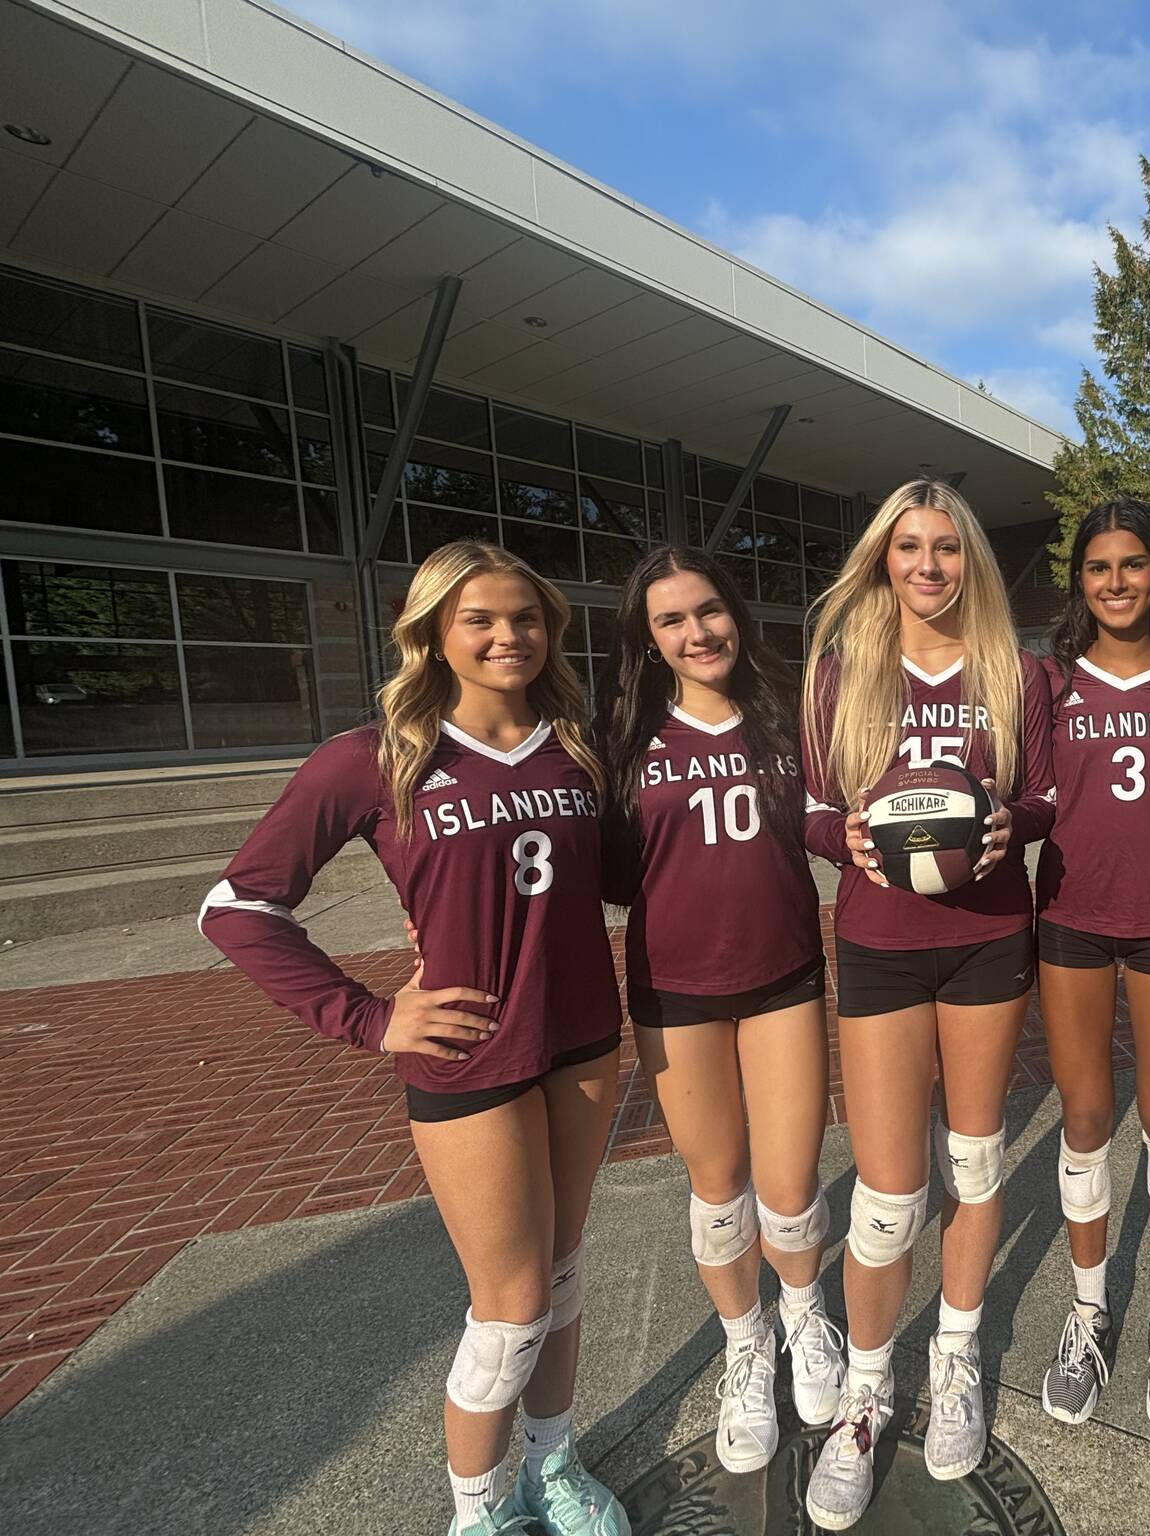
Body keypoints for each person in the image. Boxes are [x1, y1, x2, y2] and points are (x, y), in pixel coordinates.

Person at [201, 541, 628, 1536]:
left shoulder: (576, 743)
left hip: (582, 1040)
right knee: (510, 1303)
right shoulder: (374, 755)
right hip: (466, 1053)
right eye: (479, 619)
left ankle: (552, 1466)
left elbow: (616, 876)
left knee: (562, 1273)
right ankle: (476, 1513)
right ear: (432, 631)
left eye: (524, 618)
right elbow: (237, 905)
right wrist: (368, 1015)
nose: (506, 636)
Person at [797, 479, 1054, 1529]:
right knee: (887, 1195)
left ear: (970, 562)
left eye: (947, 548)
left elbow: (1041, 796)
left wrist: (1010, 828)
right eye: (909, 548)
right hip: (879, 947)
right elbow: (812, 809)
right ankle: (864, 1393)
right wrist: (843, 840)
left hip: (989, 938)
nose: (929, 566)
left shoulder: (1016, 672)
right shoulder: (839, 673)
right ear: (883, 558)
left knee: (976, 1158)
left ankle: (952, 1359)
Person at [592, 546, 843, 1476]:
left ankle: (805, 1317)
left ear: (734, 612)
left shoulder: (785, 720)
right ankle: (746, 1345)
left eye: (708, 610)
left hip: (782, 975)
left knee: (789, 1182)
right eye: (671, 620)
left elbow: (822, 821)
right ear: (648, 639)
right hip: (677, 990)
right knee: (718, 1185)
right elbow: (603, 873)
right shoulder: (622, 738)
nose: (697, 632)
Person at [1033, 498, 1150, 1429]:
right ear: (1079, 583)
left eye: (1132, 564)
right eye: (1098, 567)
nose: (1115, 582)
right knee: (1087, 1115)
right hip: (1069, 919)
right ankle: (1091, 1309)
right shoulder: (1050, 684)